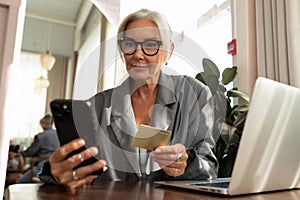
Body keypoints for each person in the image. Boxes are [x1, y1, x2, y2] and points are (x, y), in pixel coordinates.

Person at [38, 9, 219, 189]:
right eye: (129, 44)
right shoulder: (97, 106)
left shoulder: (194, 94)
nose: (138, 55)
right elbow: (74, 166)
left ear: (169, 51)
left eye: (150, 45)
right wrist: (57, 173)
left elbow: (208, 167)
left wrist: (186, 164)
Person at [16, 114, 60, 183]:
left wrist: (21, 153)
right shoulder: (59, 134)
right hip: (57, 166)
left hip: (43, 166)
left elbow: (31, 151)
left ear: (44, 123)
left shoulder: (41, 136)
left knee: (19, 182)